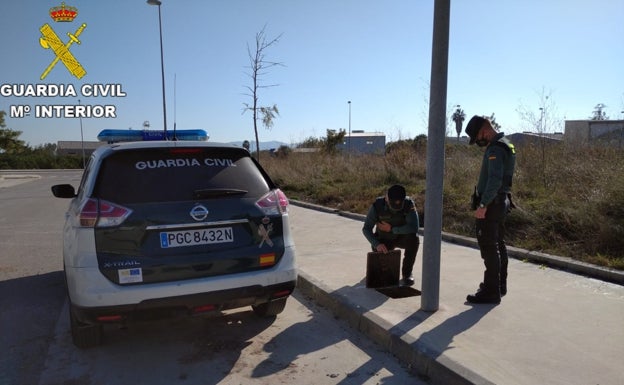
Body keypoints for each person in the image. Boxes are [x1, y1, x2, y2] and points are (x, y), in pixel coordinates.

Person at [465, 115, 516, 304]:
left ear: (484, 131)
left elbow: (494, 179)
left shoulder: (495, 148)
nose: (478, 142)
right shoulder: (506, 143)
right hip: (501, 201)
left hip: (492, 203)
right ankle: (498, 285)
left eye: (478, 138)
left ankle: (491, 291)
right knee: (498, 244)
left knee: (489, 247)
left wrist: (483, 204)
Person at [362, 184, 420, 286]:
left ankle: (407, 274)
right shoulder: (377, 206)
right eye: (393, 205)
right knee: (384, 275)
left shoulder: (409, 204)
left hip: (401, 238)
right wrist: (377, 244)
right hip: (384, 240)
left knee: (414, 239)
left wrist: (392, 229)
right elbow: (366, 229)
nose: (396, 208)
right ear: (387, 198)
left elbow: (414, 227)